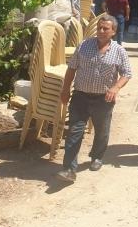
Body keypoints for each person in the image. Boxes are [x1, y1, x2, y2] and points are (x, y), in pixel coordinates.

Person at [56, 15, 131, 182]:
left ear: (113, 31)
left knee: (102, 131)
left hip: (103, 99)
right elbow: (71, 68)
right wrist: (65, 89)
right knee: (74, 132)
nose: (101, 31)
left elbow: (127, 73)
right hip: (80, 96)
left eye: (106, 29)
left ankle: (97, 156)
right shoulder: (84, 45)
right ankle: (69, 169)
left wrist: (115, 88)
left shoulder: (119, 51)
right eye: (99, 28)